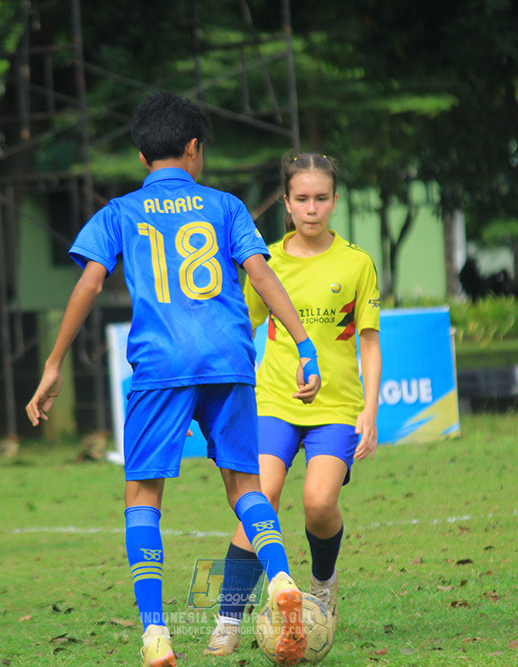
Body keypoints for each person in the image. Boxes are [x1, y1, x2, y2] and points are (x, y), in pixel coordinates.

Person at [25, 93, 322, 667]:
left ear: (142, 157)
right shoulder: (227, 206)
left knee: (143, 497)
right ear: (193, 148)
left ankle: (157, 635)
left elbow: (90, 284)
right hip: (229, 358)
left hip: (161, 365)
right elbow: (261, 276)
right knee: (246, 487)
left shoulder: (119, 212)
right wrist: (304, 346)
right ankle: (282, 579)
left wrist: (53, 363)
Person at [204, 152, 382, 655]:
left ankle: (322, 585)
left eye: (321, 198)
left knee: (319, 503)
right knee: (259, 498)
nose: (311, 208)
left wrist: (370, 410)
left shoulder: (356, 263)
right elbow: (244, 327)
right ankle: (228, 618)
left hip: (336, 407)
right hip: (274, 403)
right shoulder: (267, 262)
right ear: (286, 202)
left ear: (335, 200)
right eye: (301, 199)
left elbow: (369, 341)